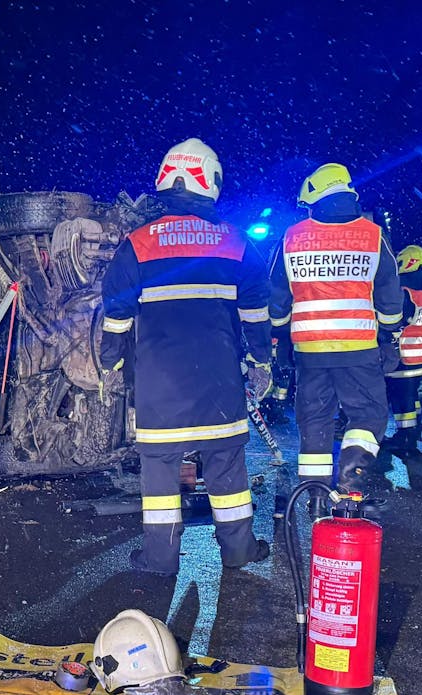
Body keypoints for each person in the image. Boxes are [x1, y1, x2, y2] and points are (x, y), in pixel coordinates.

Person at [101, 138, 273, 576]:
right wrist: (262, 362)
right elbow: (256, 311)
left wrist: (112, 362)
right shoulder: (234, 242)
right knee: (228, 471)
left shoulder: (137, 243)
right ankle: (238, 551)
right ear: (209, 182)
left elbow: (116, 311)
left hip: (160, 386)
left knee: (158, 475)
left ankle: (159, 560)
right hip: (218, 382)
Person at [272, 164, 403, 507]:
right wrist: (390, 335)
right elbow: (390, 295)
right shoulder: (372, 235)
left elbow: (277, 299)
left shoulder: (292, 236)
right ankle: (349, 481)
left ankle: (314, 496)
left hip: (309, 351)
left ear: (313, 198)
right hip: (358, 349)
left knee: (314, 419)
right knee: (368, 416)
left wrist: (280, 340)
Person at [383, 245, 422, 453]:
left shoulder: (404, 292)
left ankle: (405, 439)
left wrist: (388, 333)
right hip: (420, 357)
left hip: (403, 357)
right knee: (412, 397)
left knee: (401, 400)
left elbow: (400, 319)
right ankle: (413, 433)